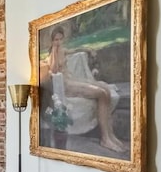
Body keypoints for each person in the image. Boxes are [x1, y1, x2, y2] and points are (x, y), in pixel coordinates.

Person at [43, 25, 126, 153]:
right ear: (52, 41)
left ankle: (110, 135)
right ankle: (105, 138)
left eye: (60, 39)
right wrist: (53, 50)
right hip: (66, 86)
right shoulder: (50, 55)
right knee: (101, 93)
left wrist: (87, 49)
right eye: (55, 40)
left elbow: (74, 50)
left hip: (71, 80)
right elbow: (54, 70)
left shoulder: (63, 50)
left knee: (105, 89)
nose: (58, 42)